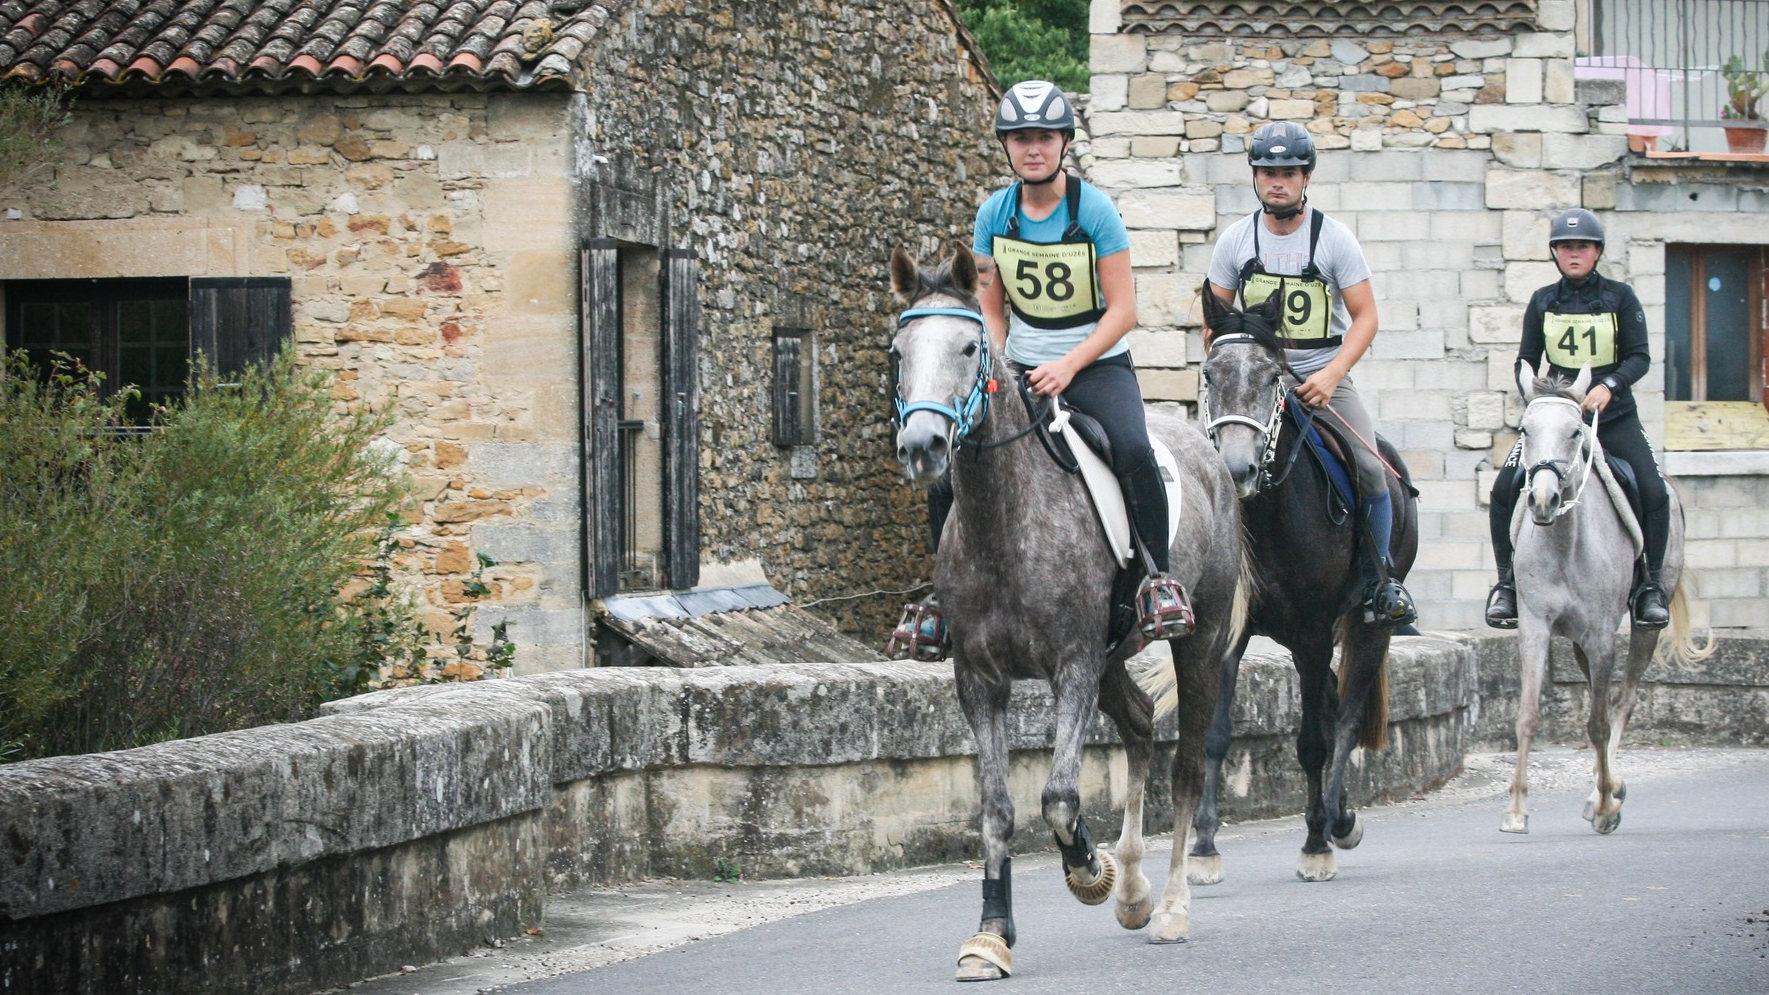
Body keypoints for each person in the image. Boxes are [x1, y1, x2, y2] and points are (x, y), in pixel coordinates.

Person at [888, 79, 1188, 659]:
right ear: (1006, 146)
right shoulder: (994, 215)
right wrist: (999, 367)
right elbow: (991, 309)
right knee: (955, 461)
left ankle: (1159, 579)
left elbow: (1124, 310)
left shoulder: (1094, 211)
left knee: (1131, 447)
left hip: (1095, 365)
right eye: (1021, 138)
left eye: (1044, 138)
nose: (1033, 149)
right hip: (1020, 366)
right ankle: (942, 601)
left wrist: (1069, 366)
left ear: (1064, 143)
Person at [1201, 120, 1416, 626]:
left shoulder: (1334, 240)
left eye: (1289, 173)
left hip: (1321, 375)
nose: (1277, 182)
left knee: (1369, 466)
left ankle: (1378, 582)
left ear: (1306, 177)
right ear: (1255, 177)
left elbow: (1366, 317)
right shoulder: (1235, 241)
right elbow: (1214, 320)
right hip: (1253, 384)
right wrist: (1231, 374)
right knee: (1202, 465)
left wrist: (1334, 375)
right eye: (1268, 173)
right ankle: (1198, 580)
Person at [1484, 208, 1670, 629]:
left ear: (1597, 252)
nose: (1574, 254)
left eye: (1582, 247)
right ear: (1555, 253)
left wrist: (1610, 386)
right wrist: (1538, 399)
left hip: (1612, 416)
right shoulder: (1542, 300)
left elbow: (1639, 356)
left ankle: (1650, 586)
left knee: (1653, 490)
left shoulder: (1621, 297)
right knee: (1503, 489)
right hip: (1558, 420)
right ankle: (1507, 585)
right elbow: (1525, 360)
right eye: (1565, 247)